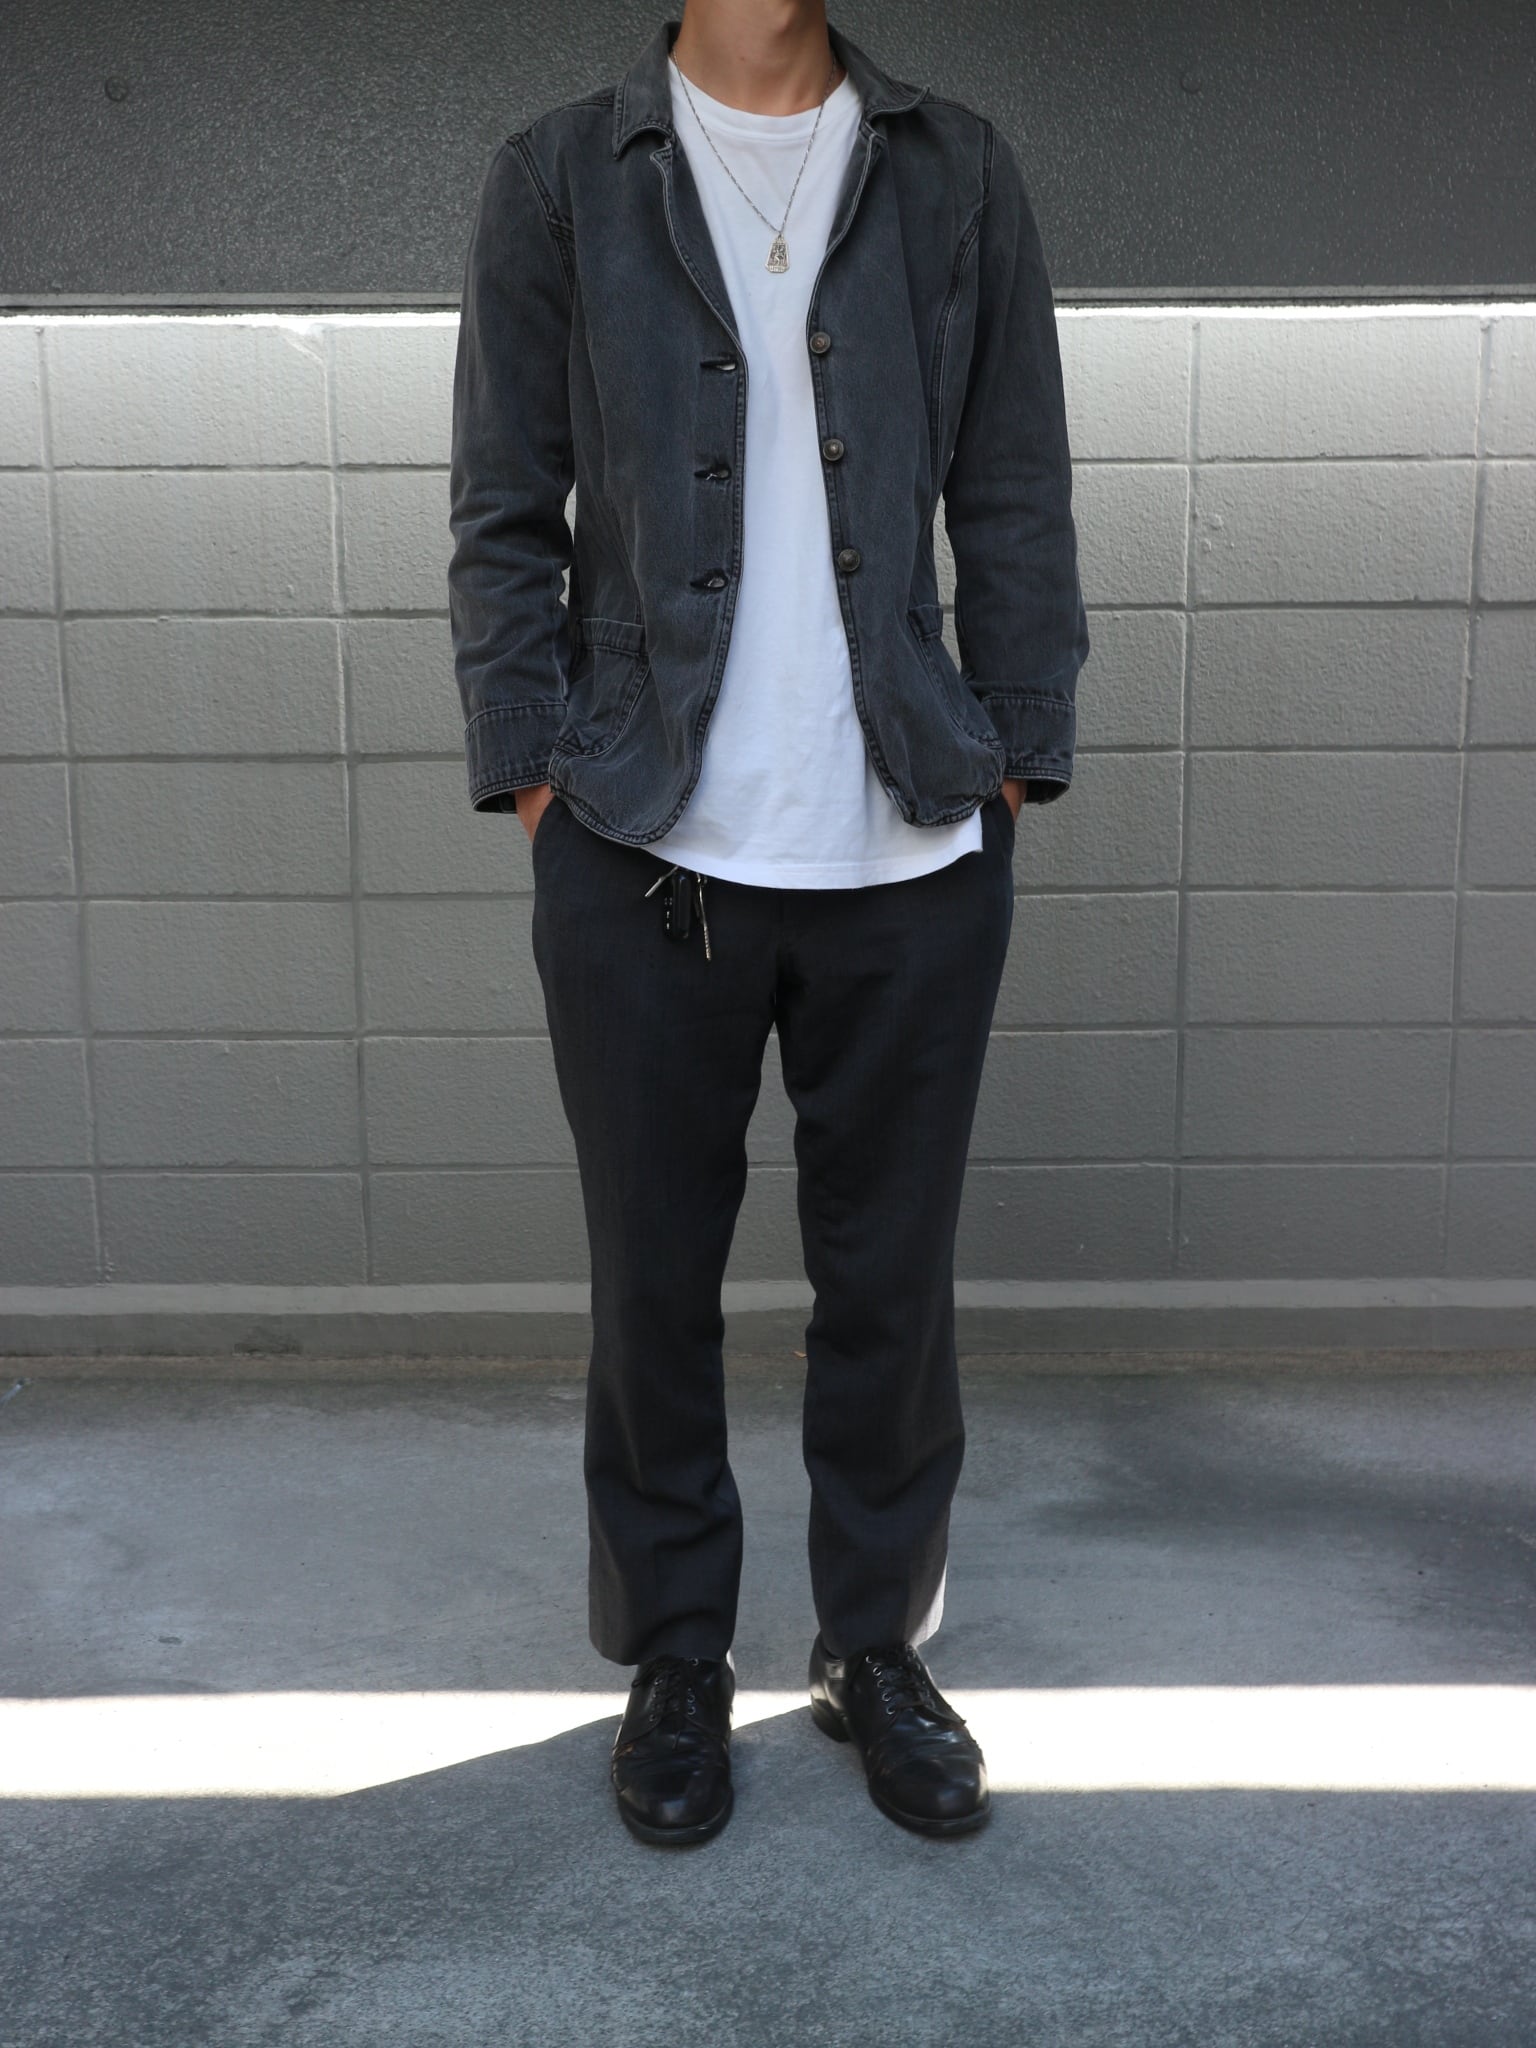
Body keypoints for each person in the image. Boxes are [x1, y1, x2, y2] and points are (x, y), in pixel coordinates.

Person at [448, 2, 1088, 1845]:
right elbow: (505, 511)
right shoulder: (561, 177)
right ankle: (675, 1655)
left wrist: (1015, 756)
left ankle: (872, 1647)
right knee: (651, 1285)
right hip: (643, 841)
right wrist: (538, 780)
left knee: (891, 1291)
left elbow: (1015, 486)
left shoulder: (956, 169)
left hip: (912, 842)